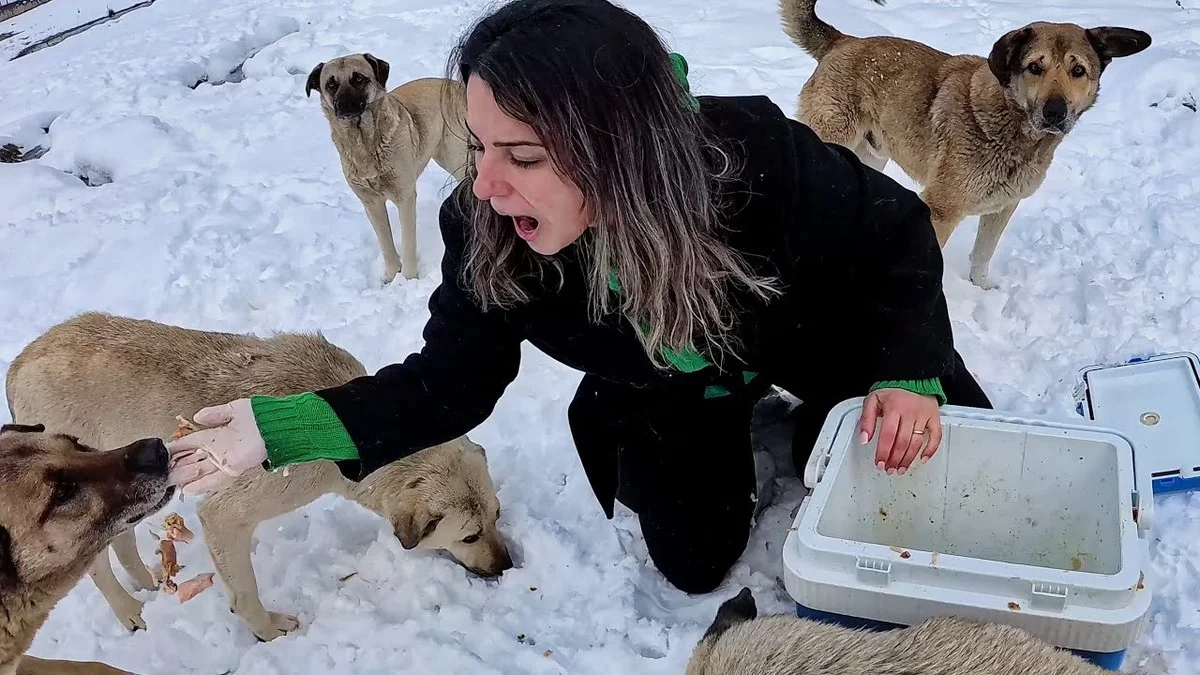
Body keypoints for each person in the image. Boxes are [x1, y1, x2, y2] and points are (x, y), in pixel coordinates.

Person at [168, 0, 992, 594]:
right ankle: (645, 407)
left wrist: (907, 371)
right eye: (480, 145)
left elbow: (895, 233)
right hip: (668, 381)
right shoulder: (488, 228)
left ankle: (822, 408)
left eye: (520, 155)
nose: (484, 183)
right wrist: (280, 427)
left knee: (966, 468)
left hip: (812, 332)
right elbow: (447, 381)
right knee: (695, 561)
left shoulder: (750, 157)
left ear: (622, 148)